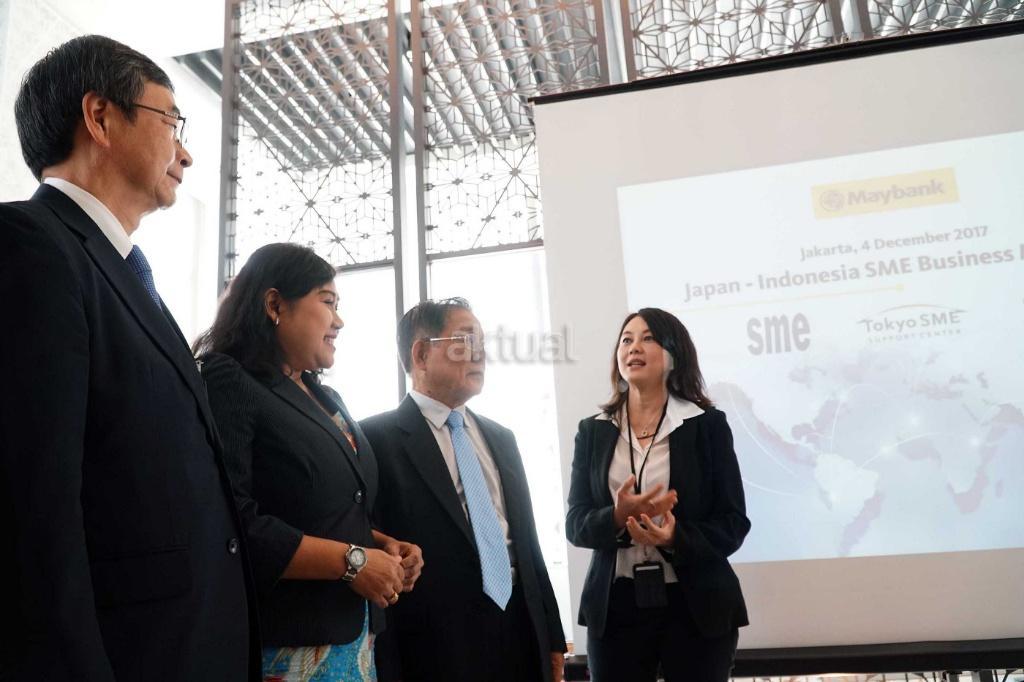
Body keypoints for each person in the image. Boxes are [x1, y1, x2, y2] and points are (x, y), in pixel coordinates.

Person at [0, 36, 257, 679]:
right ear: (99, 117)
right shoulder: (28, 246)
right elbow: (34, 511)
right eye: (172, 122)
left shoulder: (126, 274)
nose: (186, 152)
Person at [194, 242, 424, 681]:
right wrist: (353, 562)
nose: (339, 320)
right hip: (288, 642)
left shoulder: (325, 395)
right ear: (275, 305)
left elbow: (327, 508)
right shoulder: (229, 380)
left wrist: (381, 546)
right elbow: (231, 519)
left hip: (354, 641)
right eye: (327, 302)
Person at [360, 298, 567, 682]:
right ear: (421, 354)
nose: (480, 353)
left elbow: (528, 545)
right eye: (465, 341)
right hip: (435, 645)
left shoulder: (501, 438)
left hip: (519, 629)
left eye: (483, 343)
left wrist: (552, 637)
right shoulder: (374, 439)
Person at [565, 308, 750, 682]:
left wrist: (675, 537)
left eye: (647, 338)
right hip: (616, 605)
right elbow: (576, 524)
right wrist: (616, 516)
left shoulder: (707, 426)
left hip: (695, 605)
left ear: (673, 354)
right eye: (626, 340)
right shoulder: (594, 431)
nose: (633, 347)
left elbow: (733, 523)